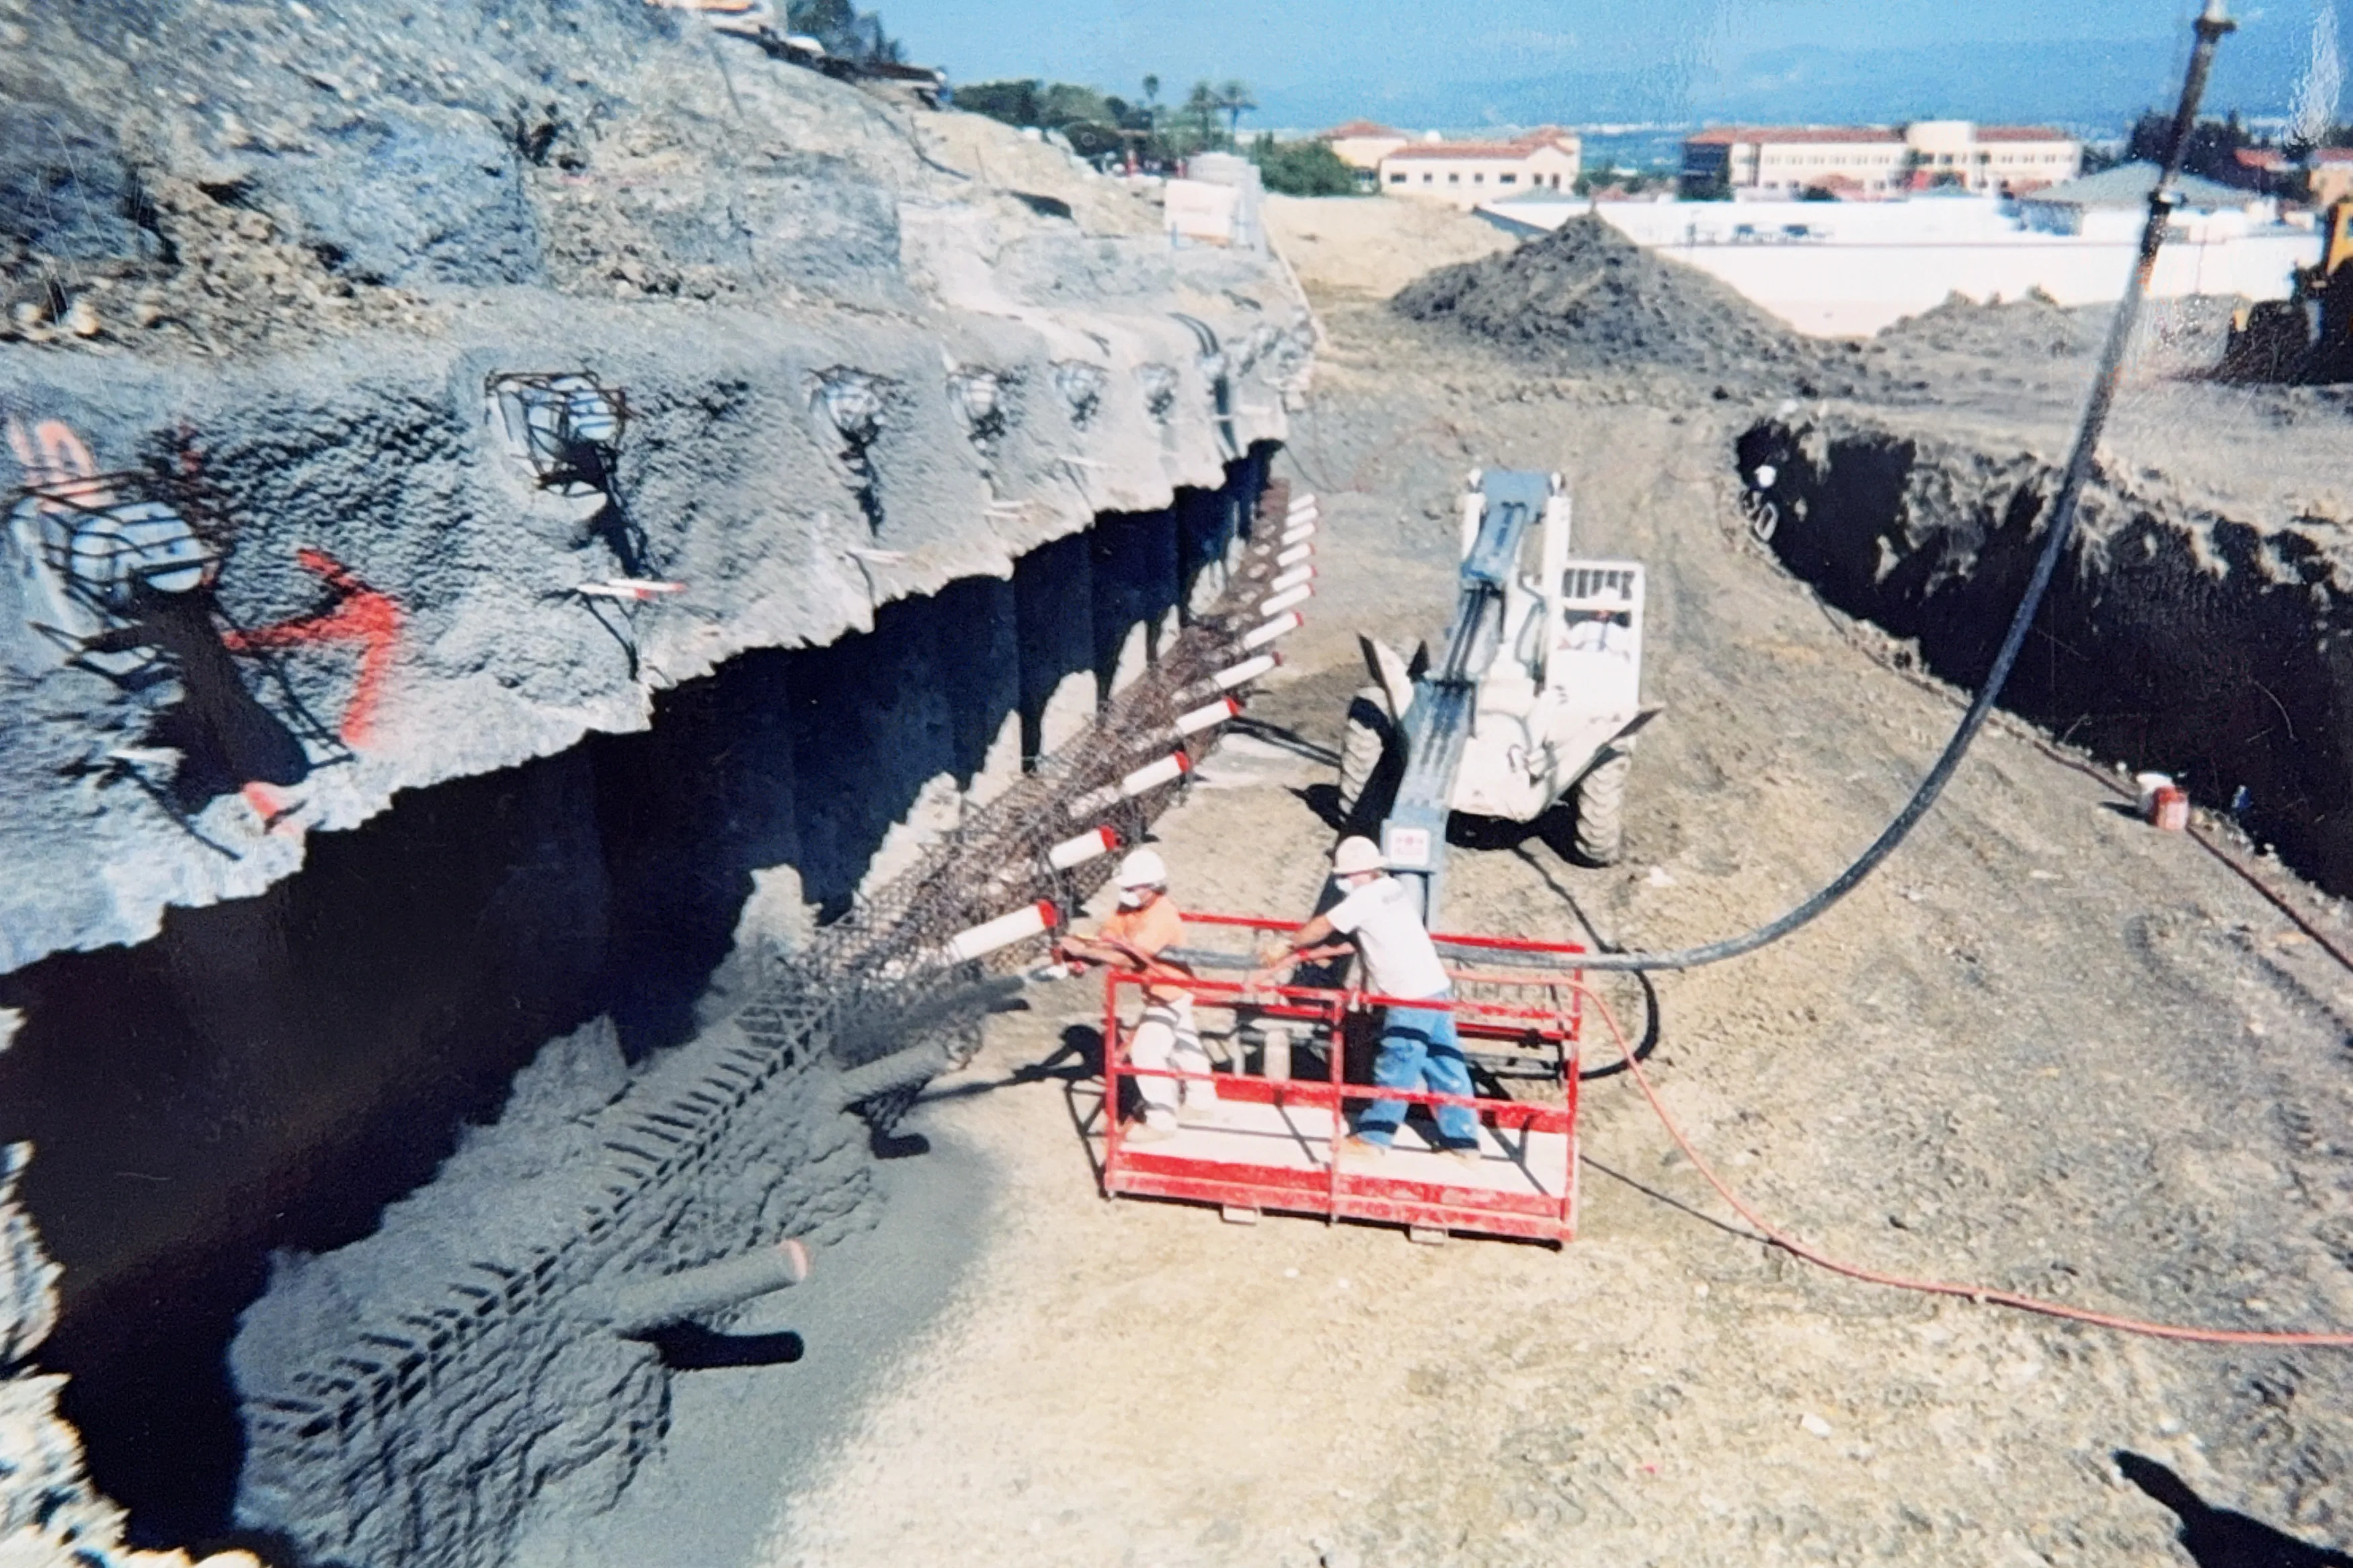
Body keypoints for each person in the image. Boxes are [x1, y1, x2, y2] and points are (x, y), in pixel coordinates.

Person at [1254, 836, 1479, 1162]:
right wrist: (1322, 954)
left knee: (1397, 1064)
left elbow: (1324, 924)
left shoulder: (1364, 898)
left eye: (1345, 875)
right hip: (1434, 988)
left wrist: (1288, 945)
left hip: (1409, 995)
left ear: (1361, 872)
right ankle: (1464, 1142)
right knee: (1445, 1064)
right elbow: (1367, 938)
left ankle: (1374, 1139)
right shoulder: (1391, 889)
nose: (1342, 882)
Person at [1057, 848, 1216, 1143]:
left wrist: (1086, 951)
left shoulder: (1162, 916)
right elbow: (1111, 931)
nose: (1127, 893)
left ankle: (1161, 1122)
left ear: (1153, 886)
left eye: (1133, 888)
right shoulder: (1133, 905)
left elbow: (1131, 958)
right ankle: (1202, 1100)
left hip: (1170, 990)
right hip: (1163, 990)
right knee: (1183, 1044)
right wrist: (1090, 954)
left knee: (1146, 1052)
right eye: (1126, 887)